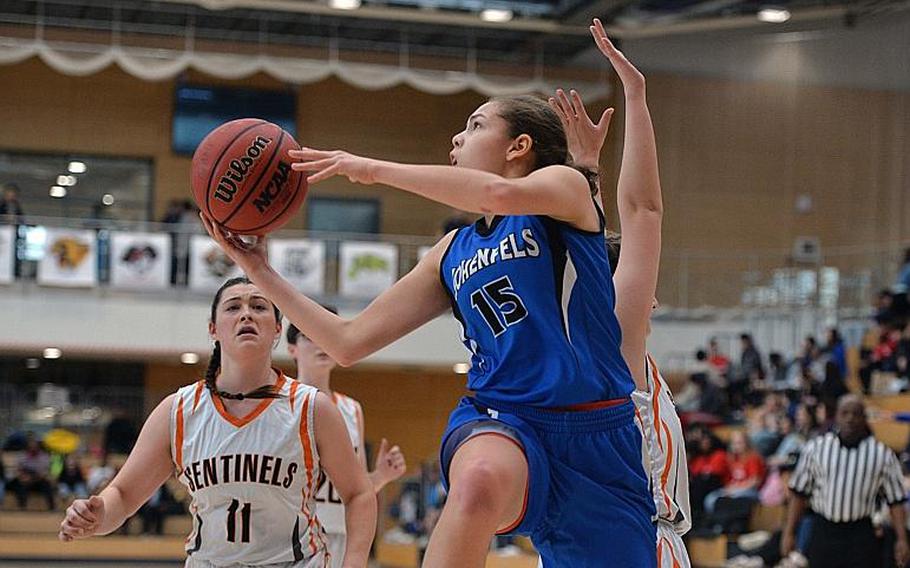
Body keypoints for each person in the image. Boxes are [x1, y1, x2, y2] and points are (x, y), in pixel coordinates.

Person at [200, 20, 657, 568]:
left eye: (475, 123)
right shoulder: (451, 252)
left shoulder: (566, 190)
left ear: (520, 145)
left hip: (598, 437)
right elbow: (348, 341)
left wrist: (365, 167)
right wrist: (258, 270)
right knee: (479, 481)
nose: (457, 139)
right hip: (503, 416)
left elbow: (496, 191)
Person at [59, 277, 376, 568]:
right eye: (234, 307)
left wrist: (355, 561)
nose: (247, 314)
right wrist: (98, 515)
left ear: (278, 329)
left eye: (259, 306)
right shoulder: (179, 411)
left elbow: (360, 494)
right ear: (213, 329)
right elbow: (125, 496)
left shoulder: (311, 408)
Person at [548, 54, 689, 565]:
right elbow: (643, 212)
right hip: (634, 543)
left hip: (578, 543)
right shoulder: (617, 349)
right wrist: (635, 96)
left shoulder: (583, 347)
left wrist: (586, 172)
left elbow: (595, 246)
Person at [287, 319, 407, 567]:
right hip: (291, 537)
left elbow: (358, 490)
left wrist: (382, 476)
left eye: (326, 334)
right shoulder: (281, 405)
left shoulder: (352, 409)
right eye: (309, 336)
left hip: (339, 535)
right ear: (292, 349)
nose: (320, 342)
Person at [781, 394, 910, 568]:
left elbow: (896, 501)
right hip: (824, 530)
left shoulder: (882, 454)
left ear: (864, 418)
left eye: (856, 414)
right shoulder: (816, 448)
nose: (850, 418)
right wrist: (789, 532)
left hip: (861, 532)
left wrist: (901, 539)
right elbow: (798, 494)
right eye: (845, 413)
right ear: (836, 416)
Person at [7, 433, 56, 510]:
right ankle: (22, 507)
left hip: (38, 481)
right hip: (25, 480)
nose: (33, 446)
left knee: (47, 485)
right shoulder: (22, 456)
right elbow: (17, 470)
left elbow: (45, 472)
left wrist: (38, 477)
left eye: (35, 444)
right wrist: (23, 477)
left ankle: (52, 508)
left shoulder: (44, 456)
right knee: (19, 485)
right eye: (31, 444)